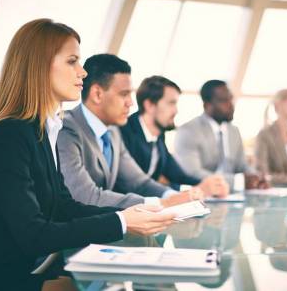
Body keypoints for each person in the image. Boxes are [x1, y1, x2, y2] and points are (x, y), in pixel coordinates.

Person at [0, 19, 174, 291]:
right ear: (40, 66)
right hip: (13, 280)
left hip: (35, 271)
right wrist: (121, 221)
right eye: (72, 61)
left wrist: (130, 215)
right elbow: (32, 234)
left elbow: (63, 205)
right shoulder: (10, 135)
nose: (83, 72)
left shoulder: (42, 130)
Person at [58, 55, 201, 209]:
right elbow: (86, 196)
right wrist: (160, 203)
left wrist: (174, 196)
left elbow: (139, 183)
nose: (131, 103)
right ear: (97, 94)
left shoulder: (113, 133)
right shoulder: (66, 129)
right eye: (124, 94)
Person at [120, 75, 229, 197]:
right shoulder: (125, 132)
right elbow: (134, 186)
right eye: (171, 103)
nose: (176, 111)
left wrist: (209, 185)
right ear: (149, 105)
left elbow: (178, 176)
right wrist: (195, 189)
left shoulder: (158, 135)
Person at [174, 79, 267, 190]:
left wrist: (256, 177)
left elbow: (241, 165)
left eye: (231, 99)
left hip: (233, 196)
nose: (231, 105)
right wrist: (237, 182)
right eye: (224, 100)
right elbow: (192, 172)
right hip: (202, 195)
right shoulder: (189, 131)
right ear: (207, 105)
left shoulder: (234, 131)